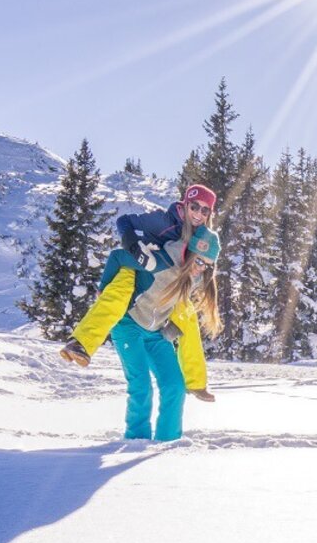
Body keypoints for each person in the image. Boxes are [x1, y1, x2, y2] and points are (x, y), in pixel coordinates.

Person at [60, 183, 217, 366]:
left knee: (185, 309)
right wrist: (133, 245)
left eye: (205, 211)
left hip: (158, 280)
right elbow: (123, 222)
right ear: (185, 204)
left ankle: (194, 380)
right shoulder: (163, 221)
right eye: (194, 207)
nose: (199, 214)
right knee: (117, 297)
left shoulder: (200, 236)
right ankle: (80, 343)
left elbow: (194, 273)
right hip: (136, 266)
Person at [106, 224, 223, 442]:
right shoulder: (163, 261)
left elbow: (181, 311)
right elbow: (123, 263)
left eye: (207, 265)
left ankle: (167, 443)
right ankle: (136, 441)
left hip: (155, 332)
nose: (201, 268)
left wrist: (171, 328)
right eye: (199, 260)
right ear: (190, 252)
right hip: (128, 324)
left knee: (174, 386)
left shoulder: (193, 279)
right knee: (141, 386)